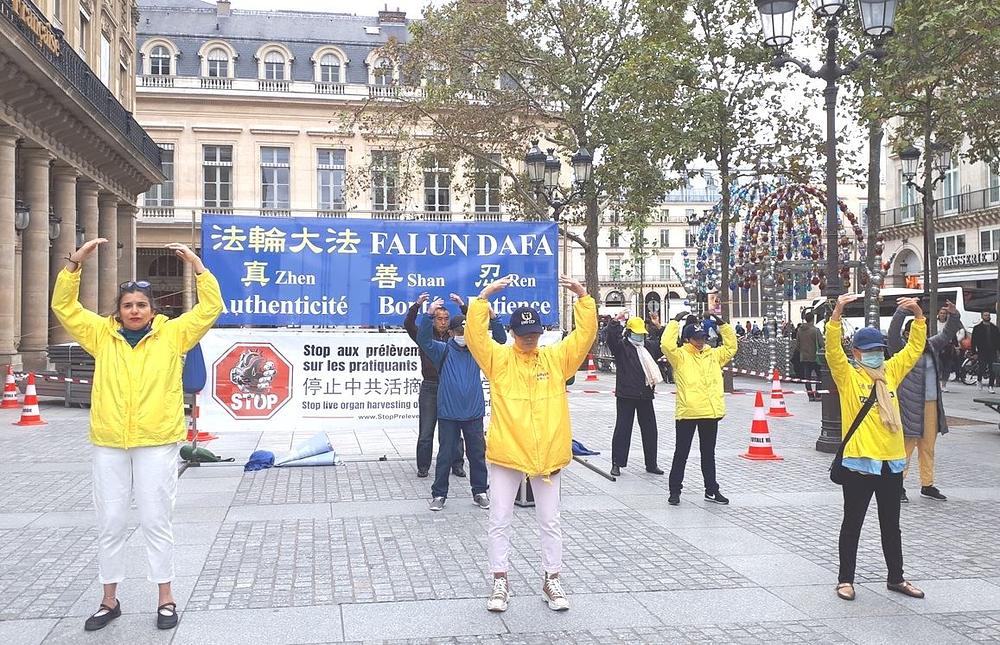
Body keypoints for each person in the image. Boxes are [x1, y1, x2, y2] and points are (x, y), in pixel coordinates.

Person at [51, 238, 222, 631]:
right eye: (128, 305)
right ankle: (109, 600)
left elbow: (210, 308)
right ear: (119, 310)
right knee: (110, 520)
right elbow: (65, 307)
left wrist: (198, 267)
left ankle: (166, 597)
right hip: (110, 441)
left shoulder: (173, 334)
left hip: (156, 441)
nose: (134, 311)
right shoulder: (100, 335)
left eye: (141, 305)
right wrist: (73, 266)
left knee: (155, 519)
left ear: (152, 309)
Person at [466, 274, 595, 614]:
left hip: (547, 454)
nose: (529, 340)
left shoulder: (555, 359)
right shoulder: (498, 360)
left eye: (534, 334)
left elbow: (583, 338)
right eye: (523, 335)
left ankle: (552, 578)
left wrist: (584, 299)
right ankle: (499, 579)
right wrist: (483, 299)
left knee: (550, 521)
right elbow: (475, 336)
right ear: (511, 334)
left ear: (541, 332)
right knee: (499, 518)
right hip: (507, 452)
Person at [827, 293, 926, 603]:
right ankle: (845, 580)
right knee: (852, 523)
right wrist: (838, 312)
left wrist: (919, 316)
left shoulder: (890, 373)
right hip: (859, 463)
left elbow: (914, 350)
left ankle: (896, 577)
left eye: (879, 351)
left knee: (891, 525)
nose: (875, 356)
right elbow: (832, 351)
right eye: (869, 352)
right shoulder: (849, 376)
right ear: (856, 352)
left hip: (891, 462)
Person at [417, 298, 506, 511]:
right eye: (458, 332)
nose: (462, 336)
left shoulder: (478, 351)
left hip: (473, 412)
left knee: (477, 455)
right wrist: (429, 315)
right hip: (448, 412)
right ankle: (439, 494)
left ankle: (480, 492)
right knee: (445, 455)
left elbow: (501, 341)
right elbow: (423, 340)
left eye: (466, 333)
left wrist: (493, 318)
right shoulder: (442, 350)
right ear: (451, 333)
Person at [660, 310, 737, 506]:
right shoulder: (680, 356)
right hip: (688, 412)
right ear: (687, 339)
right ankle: (674, 490)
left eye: (702, 337)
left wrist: (722, 324)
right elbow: (666, 345)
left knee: (708, 453)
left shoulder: (713, 355)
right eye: (696, 338)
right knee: (681, 453)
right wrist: (674, 322)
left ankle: (711, 489)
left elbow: (731, 347)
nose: (700, 341)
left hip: (710, 412)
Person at [889, 301, 963, 503]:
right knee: (905, 447)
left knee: (928, 446)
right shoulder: (901, 350)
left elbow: (948, 334)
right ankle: (898, 486)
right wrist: (902, 311)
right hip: (909, 404)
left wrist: (954, 315)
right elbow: (893, 334)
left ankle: (927, 484)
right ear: (909, 334)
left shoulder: (931, 346)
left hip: (931, 404)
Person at [404, 293, 467, 478]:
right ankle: (423, 467)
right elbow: (408, 325)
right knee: (426, 430)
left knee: (455, 429)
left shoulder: (456, 338)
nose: (443, 322)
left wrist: (463, 306)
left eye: (446, 319)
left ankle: (457, 464)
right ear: (433, 320)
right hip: (430, 387)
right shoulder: (424, 336)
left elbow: (474, 327)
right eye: (439, 318)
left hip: (451, 386)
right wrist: (418, 306)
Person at [606, 310, 664, 477]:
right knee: (623, 430)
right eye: (637, 334)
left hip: (645, 395)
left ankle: (651, 463)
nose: (640, 337)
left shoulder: (648, 347)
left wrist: (658, 326)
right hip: (626, 394)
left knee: (650, 430)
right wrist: (615, 321)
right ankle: (617, 463)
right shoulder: (622, 347)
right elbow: (610, 338)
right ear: (629, 333)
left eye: (642, 334)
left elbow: (664, 344)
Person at [795, 313, 824, 402]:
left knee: (807, 378)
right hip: (815, 357)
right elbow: (821, 344)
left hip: (804, 357)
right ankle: (818, 395)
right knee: (820, 376)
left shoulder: (800, 330)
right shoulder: (815, 330)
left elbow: (798, 345)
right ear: (813, 319)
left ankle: (810, 396)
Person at [971, 311, 1000, 393]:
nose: (987, 316)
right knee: (981, 367)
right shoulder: (977, 328)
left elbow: (998, 340)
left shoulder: (994, 328)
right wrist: (974, 352)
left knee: (993, 369)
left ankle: (990, 386)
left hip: (992, 351)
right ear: (982, 316)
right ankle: (979, 380)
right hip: (982, 351)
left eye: (988, 315)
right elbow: (973, 341)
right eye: (985, 315)